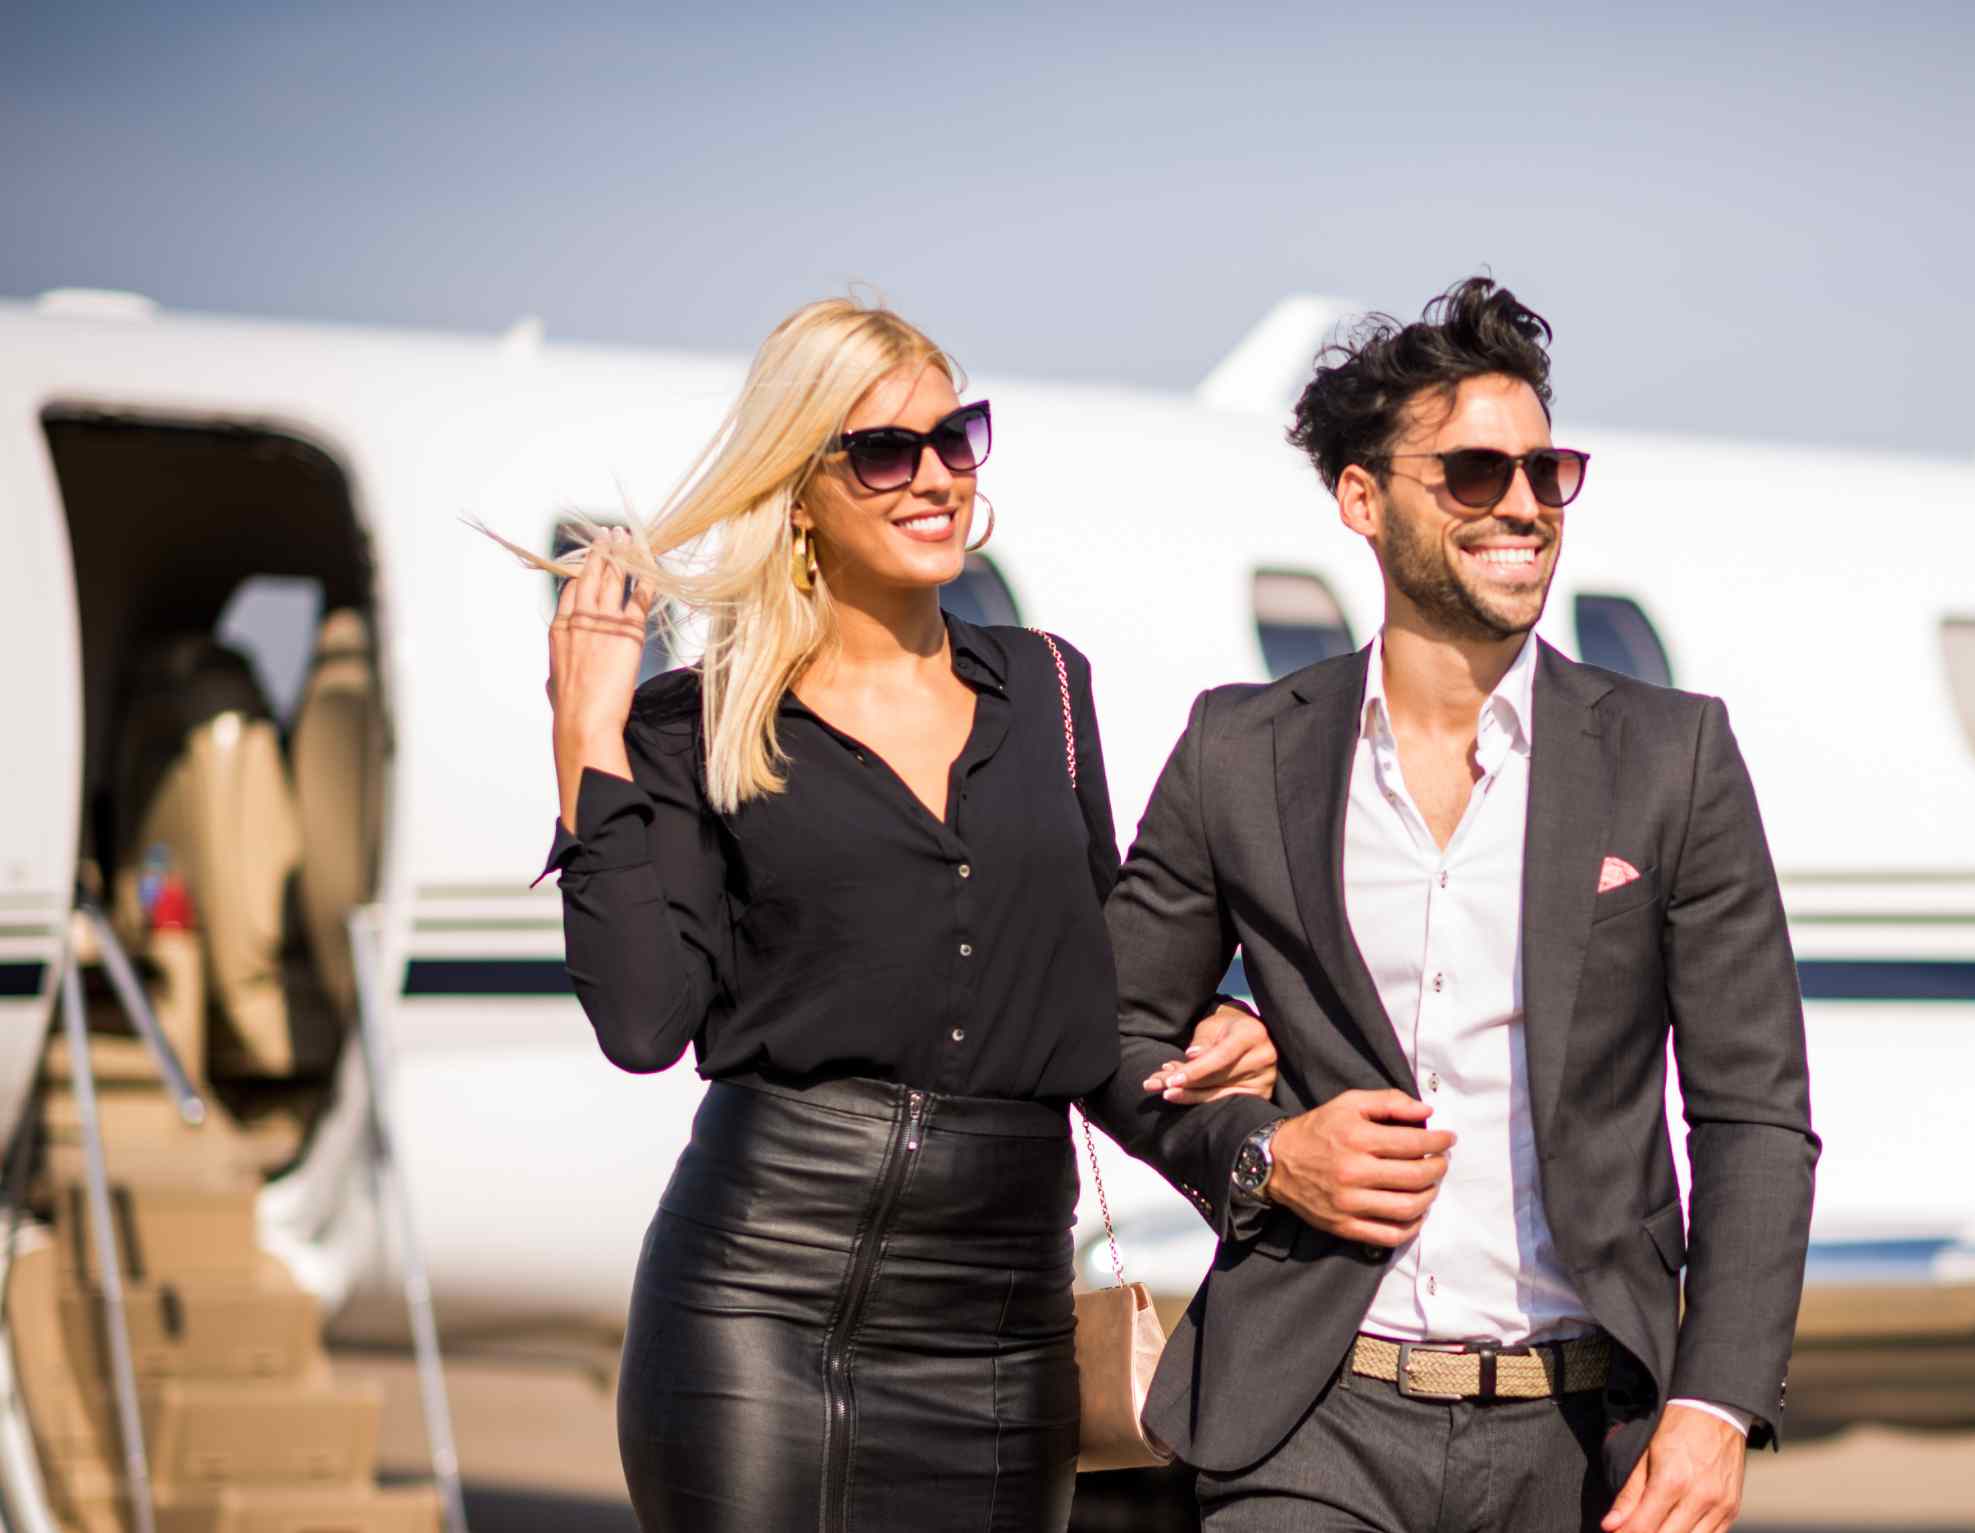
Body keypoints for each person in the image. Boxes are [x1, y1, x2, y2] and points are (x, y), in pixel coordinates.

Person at [511, 297, 1278, 1533]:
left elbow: (1096, 1002)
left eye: (956, 438)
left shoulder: (1047, 690)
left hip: (1003, 1332)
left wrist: (1232, 1057)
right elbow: (645, 1020)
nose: (935, 477)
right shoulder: (695, 725)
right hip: (757, 1312)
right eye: (885, 450)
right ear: (800, 489)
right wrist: (586, 738)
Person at [1088, 277, 1820, 1531]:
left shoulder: (1673, 756)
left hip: (1587, 1433)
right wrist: (1267, 1155)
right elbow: (1104, 1030)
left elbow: (1754, 1107)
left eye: (1548, 471)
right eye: (1476, 475)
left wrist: (1715, 1404)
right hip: (1310, 1417)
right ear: (1363, 501)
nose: (1525, 506)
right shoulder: (1240, 751)